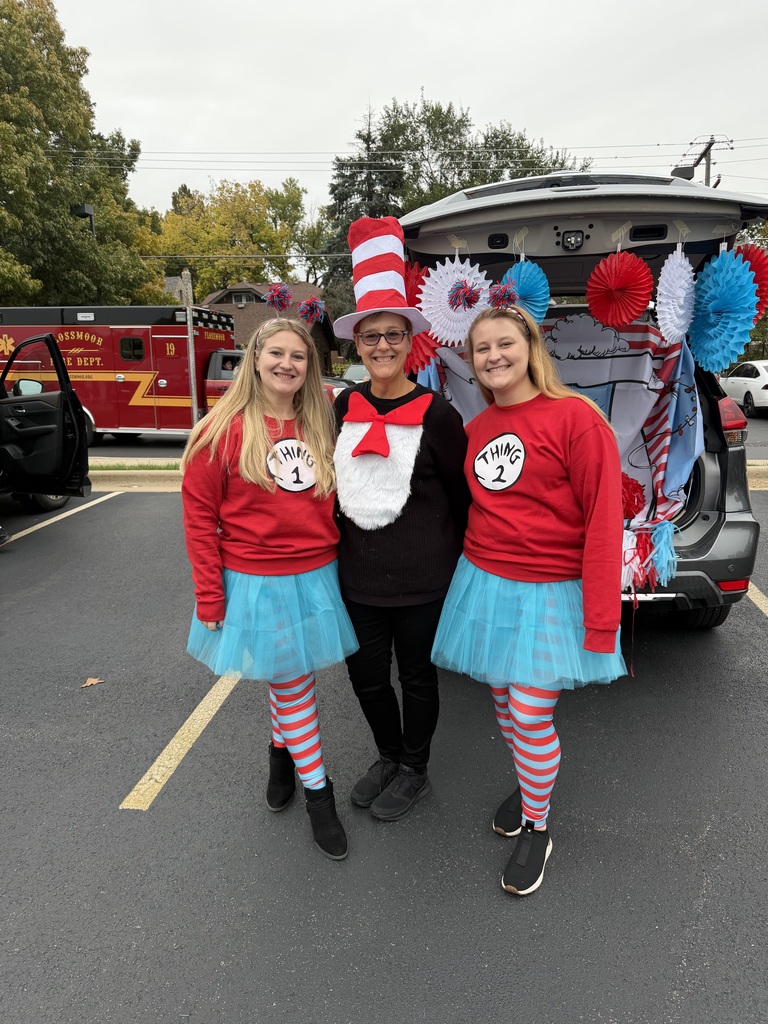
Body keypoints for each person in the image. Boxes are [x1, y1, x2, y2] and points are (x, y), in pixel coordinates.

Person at [432, 305, 627, 896]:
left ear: (530, 346)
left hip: (551, 591)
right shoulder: (477, 428)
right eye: (481, 348)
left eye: (504, 344)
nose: (493, 356)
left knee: (530, 712)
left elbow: (603, 523)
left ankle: (538, 828)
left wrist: (601, 621)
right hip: (486, 584)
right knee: (502, 704)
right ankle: (529, 782)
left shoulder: (576, 419)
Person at [181, 317, 358, 860]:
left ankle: (281, 756)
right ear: (255, 359)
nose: (287, 364)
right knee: (294, 684)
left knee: (288, 679)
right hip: (258, 580)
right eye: (276, 353)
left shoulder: (322, 424)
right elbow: (198, 516)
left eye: (299, 357)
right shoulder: (223, 429)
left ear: (311, 367)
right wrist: (209, 596)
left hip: (318, 575)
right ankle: (319, 798)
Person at [332, 217, 471, 822]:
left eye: (392, 334)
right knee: (365, 679)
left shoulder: (437, 414)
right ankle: (387, 754)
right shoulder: (341, 405)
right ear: (357, 346)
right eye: (370, 337)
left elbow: (464, 499)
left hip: (421, 580)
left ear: (407, 339)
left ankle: (414, 766)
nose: (382, 346)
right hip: (356, 576)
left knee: (416, 678)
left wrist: (456, 564)